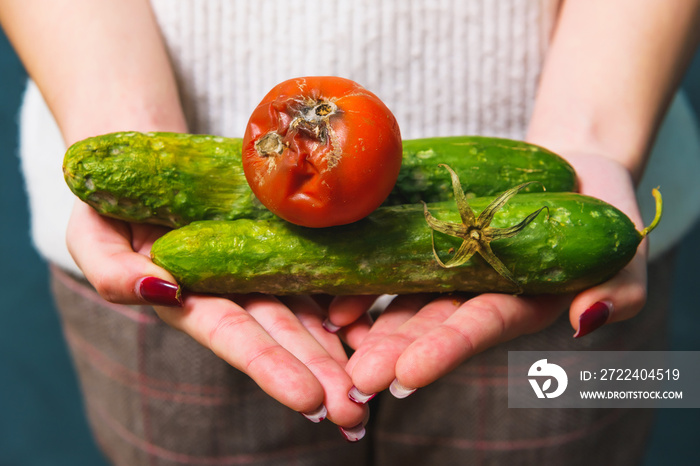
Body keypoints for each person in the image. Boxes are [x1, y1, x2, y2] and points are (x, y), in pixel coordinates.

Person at [2, 0, 699, 464]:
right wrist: (116, 116)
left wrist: (596, 140)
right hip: (171, 266)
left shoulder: (578, 218)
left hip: (567, 236)